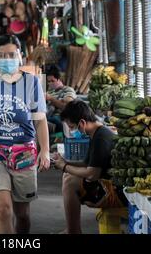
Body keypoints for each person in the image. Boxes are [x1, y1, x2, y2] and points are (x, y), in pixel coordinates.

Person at [0, 34, 51, 234]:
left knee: (22, 215)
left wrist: (45, 150)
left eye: (11, 54)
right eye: (1, 55)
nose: (7, 59)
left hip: (24, 155)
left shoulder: (32, 83)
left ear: (20, 55)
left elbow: (40, 121)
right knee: (3, 209)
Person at [52, 100, 124, 234]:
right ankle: (72, 229)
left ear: (82, 123)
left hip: (115, 190)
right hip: (107, 181)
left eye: (72, 127)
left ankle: (73, 231)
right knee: (68, 175)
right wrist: (63, 162)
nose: (72, 131)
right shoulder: (96, 133)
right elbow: (86, 163)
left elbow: (92, 174)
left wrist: (64, 166)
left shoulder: (101, 137)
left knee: (70, 182)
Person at [45, 66, 76, 133]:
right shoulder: (50, 92)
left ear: (59, 79)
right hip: (48, 116)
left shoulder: (68, 90)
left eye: (52, 81)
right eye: (48, 81)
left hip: (60, 119)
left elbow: (68, 107)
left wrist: (51, 99)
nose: (50, 83)